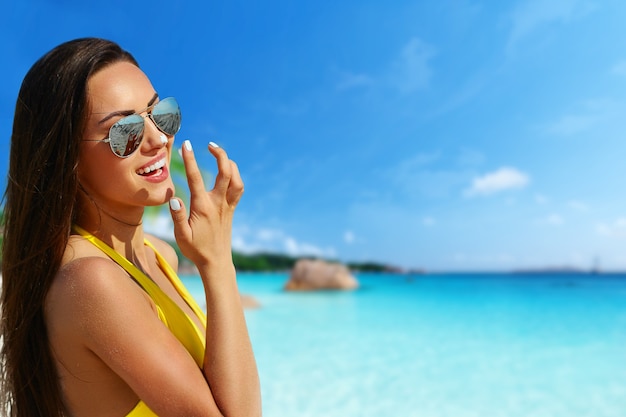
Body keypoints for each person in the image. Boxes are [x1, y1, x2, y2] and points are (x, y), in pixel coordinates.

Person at [0, 38, 261, 417]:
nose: (158, 139)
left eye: (161, 114)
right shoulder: (91, 282)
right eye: (125, 132)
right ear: (67, 158)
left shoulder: (159, 254)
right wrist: (218, 262)